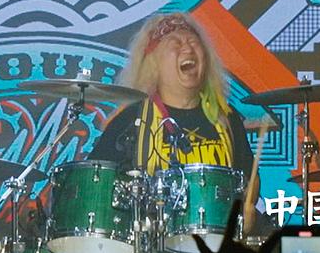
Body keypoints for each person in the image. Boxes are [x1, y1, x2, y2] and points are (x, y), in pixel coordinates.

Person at [90, 13, 255, 185]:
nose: (188, 49)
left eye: (193, 42)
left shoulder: (225, 117)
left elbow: (250, 179)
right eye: (176, 43)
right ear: (154, 62)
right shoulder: (131, 120)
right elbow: (95, 183)